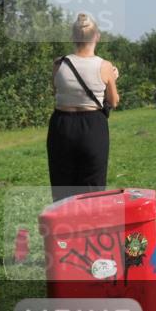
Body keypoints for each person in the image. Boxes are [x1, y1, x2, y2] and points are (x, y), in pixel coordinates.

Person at [47, 13, 120, 202]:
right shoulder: (105, 66)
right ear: (97, 37)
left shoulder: (58, 64)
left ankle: (64, 227)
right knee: (92, 185)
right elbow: (113, 101)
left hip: (61, 124)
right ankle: (89, 226)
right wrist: (113, 78)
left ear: (73, 37)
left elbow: (55, 90)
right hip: (92, 125)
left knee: (62, 183)